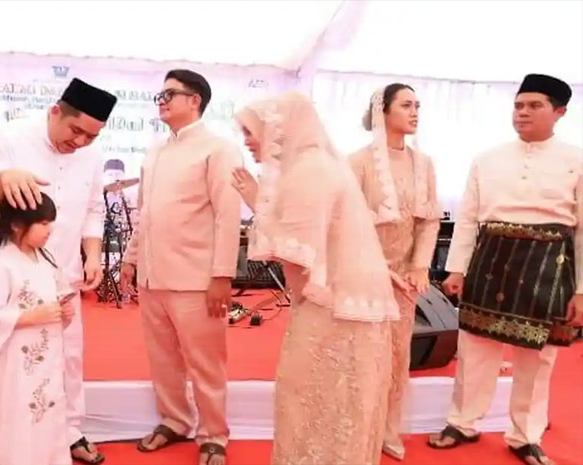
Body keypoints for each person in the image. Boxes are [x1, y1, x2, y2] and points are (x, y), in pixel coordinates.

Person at [233, 91, 399, 465]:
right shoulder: (320, 164)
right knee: (340, 407)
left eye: (251, 131)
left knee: (312, 403)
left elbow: (297, 254)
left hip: (331, 311)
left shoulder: (307, 171)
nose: (247, 141)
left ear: (278, 128)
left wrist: (257, 201)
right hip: (349, 306)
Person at [428, 74, 582, 465]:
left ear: (559, 112)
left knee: (537, 357)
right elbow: (468, 218)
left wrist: (581, 290)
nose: (522, 113)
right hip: (490, 259)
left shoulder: (577, 160)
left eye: (534, 106)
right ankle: (462, 423)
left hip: (549, 266)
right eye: (518, 105)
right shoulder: (487, 158)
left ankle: (525, 436)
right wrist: (456, 269)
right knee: (475, 349)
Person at [0, 77, 116, 464]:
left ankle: (70, 432)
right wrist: (2, 180)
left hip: (63, 269)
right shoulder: (9, 138)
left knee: (68, 354)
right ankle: (4, 439)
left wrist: (93, 255)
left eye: (91, 136)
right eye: (75, 130)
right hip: (12, 272)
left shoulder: (91, 155)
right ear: (55, 111)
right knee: (13, 360)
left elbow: (93, 209)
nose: (80, 142)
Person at [119, 69, 241, 465]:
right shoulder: (155, 151)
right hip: (152, 276)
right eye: (160, 95)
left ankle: (214, 434)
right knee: (163, 359)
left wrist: (222, 275)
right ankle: (174, 420)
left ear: (195, 100)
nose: (162, 101)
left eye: (170, 94)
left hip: (196, 279)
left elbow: (228, 216)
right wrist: (131, 258)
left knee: (206, 363)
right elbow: (146, 214)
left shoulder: (218, 149)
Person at [349, 83, 441, 461]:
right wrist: (378, 268)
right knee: (364, 355)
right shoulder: (357, 162)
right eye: (406, 105)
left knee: (398, 355)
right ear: (382, 111)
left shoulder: (424, 163)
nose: (415, 112)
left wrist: (420, 265)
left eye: (417, 105)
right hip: (364, 272)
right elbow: (349, 225)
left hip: (406, 277)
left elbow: (429, 221)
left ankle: (389, 429)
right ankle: (360, 428)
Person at [0, 193, 75, 465]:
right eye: (42, 223)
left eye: (50, 222)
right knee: (20, 419)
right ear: (17, 224)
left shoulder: (47, 258)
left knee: (49, 413)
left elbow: (58, 295)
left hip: (47, 356)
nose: (49, 229)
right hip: (16, 363)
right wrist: (29, 317)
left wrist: (64, 311)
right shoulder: (2, 266)